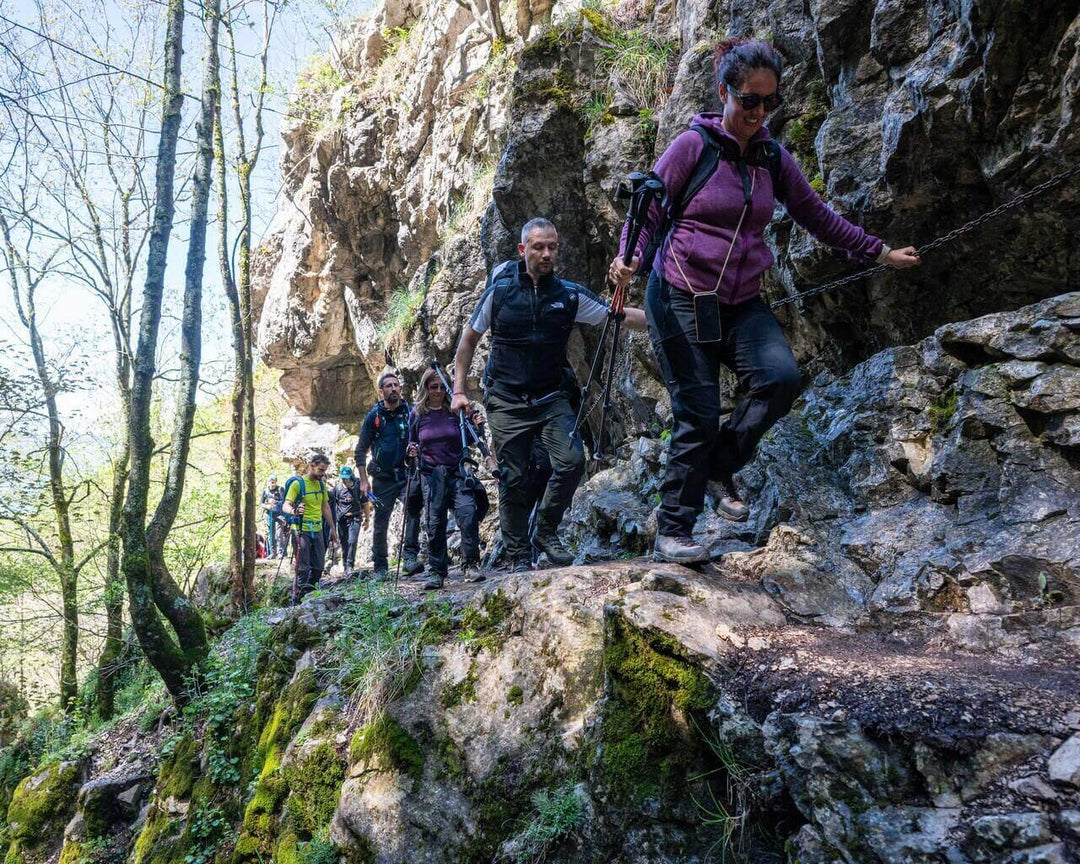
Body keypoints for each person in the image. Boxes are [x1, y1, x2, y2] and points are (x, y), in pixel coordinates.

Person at [609, 39, 921, 564]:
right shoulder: (693, 146)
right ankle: (672, 530)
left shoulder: (773, 159)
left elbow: (817, 216)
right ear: (725, 92)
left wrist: (880, 252)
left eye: (769, 103)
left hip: (739, 300)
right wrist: (629, 259)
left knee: (780, 378)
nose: (758, 113)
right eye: (749, 100)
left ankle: (714, 465)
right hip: (680, 292)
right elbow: (649, 208)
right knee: (699, 407)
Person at [452, 218, 648, 573]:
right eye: (539, 246)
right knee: (514, 477)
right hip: (507, 400)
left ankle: (544, 530)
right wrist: (458, 391)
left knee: (573, 461)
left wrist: (666, 318)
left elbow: (615, 316)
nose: (546, 253)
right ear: (522, 249)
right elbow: (468, 340)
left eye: (552, 247)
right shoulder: (500, 292)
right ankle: (516, 555)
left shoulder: (568, 295)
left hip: (551, 397)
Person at [407, 368, 488, 589]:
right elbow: (412, 444)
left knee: (468, 513)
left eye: (443, 387)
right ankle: (436, 572)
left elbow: (470, 439)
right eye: (434, 387)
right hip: (431, 475)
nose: (439, 391)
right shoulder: (417, 414)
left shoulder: (455, 410)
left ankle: (470, 565)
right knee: (434, 523)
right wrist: (411, 452)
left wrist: (478, 427)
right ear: (426, 388)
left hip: (458, 471)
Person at [355, 372, 424, 580]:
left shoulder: (411, 413)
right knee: (381, 522)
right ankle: (380, 567)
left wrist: (417, 452)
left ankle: (410, 558)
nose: (394, 388)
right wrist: (364, 481)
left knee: (413, 512)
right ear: (381, 391)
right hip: (383, 479)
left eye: (396, 385)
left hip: (407, 475)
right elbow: (360, 450)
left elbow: (423, 439)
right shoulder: (374, 417)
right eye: (389, 386)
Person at [282, 453, 339, 601]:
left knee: (319, 566)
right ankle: (298, 598)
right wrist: (294, 511)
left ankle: (310, 594)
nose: (322, 473)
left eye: (324, 470)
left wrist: (333, 529)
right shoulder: (298, 484)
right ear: (312, 466)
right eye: (320, 470)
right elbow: (285, 506)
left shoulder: (321, 485)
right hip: (301, 531)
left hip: (318, 530)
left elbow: (325, 506)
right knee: (303, 568)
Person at [329, 465, 366, 575]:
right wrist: (332, 523)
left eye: (346, 478)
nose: (344, 480)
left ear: (351, 477)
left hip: (355, 518)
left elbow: (365, 503)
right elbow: (332, 506)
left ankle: (350, 565)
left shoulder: (358, 487)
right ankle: (345, 566)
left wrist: (367, 519)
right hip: (342, 520)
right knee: (344, 543)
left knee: (352, 541)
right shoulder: (337, 489)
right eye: (343, 478)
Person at [259, 475, 284, 557]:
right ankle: (272, 553)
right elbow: (261, 503)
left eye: (274, 482)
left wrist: (276, 502)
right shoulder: (265, 491)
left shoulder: (280, 489)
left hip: (279, 514)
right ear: (268, 482)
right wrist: (267, 505)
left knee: (279, 533)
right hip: (269, 514)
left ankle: (280, 552)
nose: (273, 484)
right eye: (271, 482)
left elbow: (284, 501)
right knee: (271, 534)